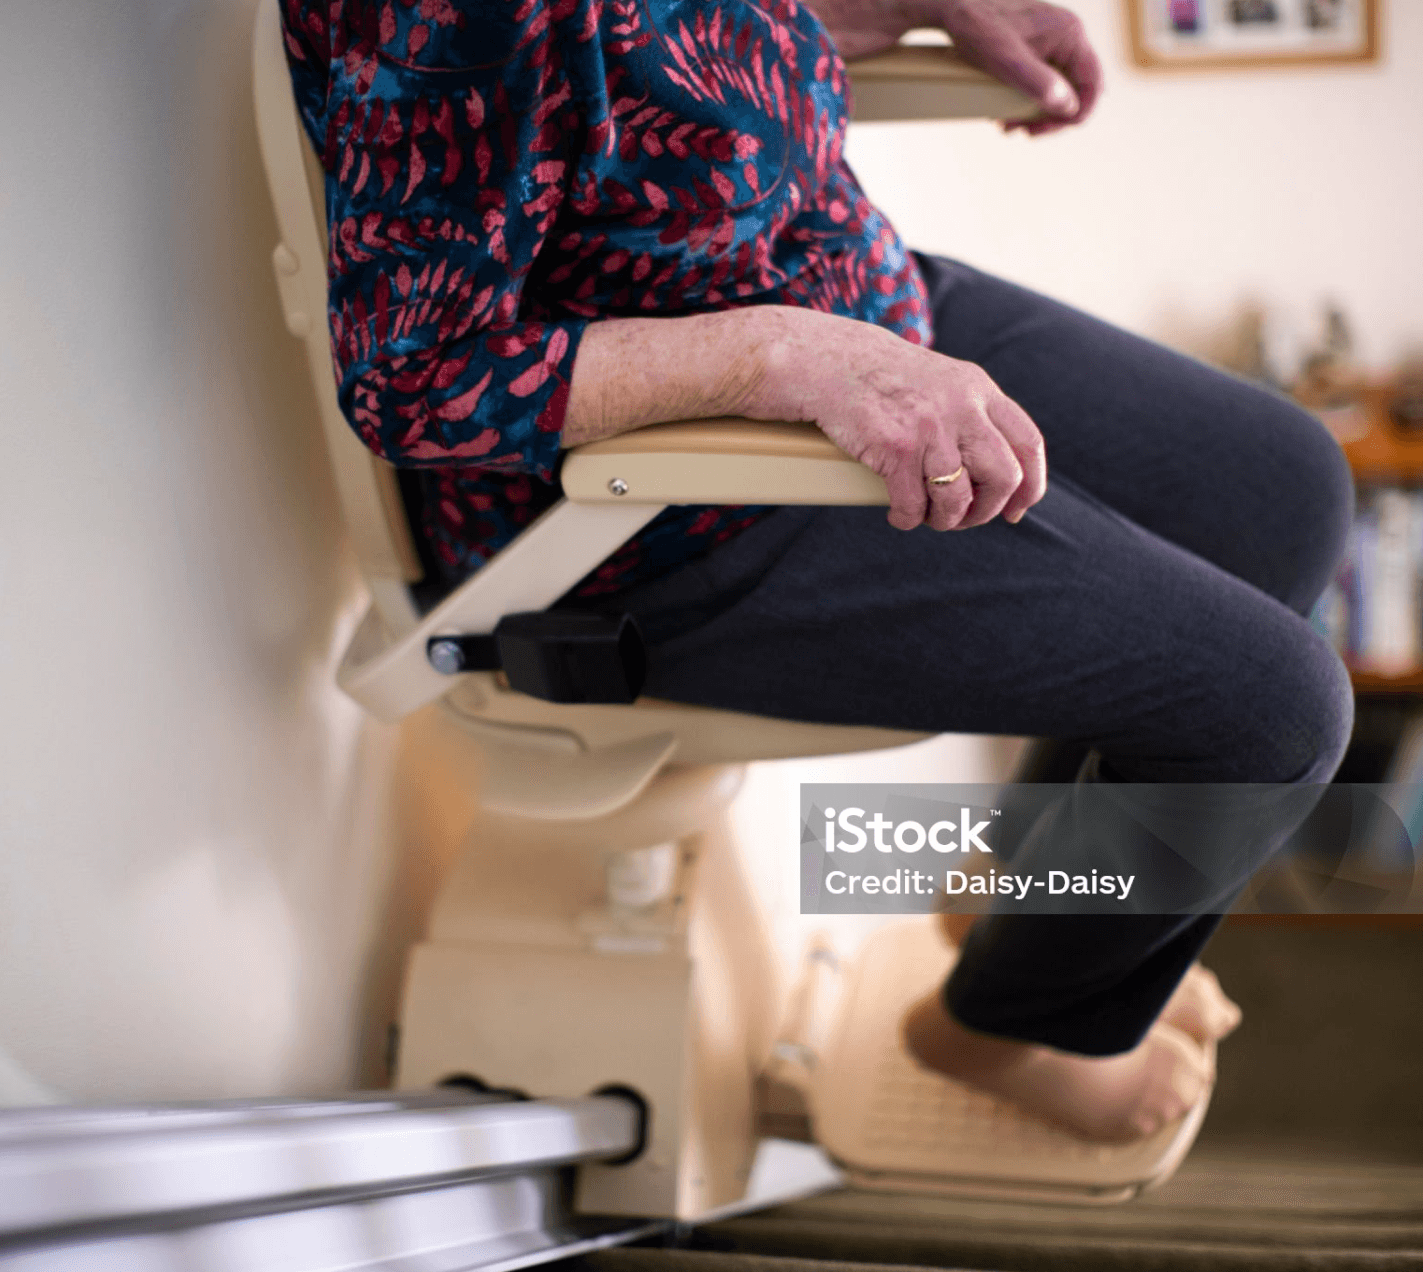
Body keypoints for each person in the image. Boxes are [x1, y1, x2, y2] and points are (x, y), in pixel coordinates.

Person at [279, 0, 1352, 1143]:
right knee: (1270, 714)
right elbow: (415, 383)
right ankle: (998, 1023)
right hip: (669, 502)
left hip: (851, 291)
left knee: (1282, 489)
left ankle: (1025, 904)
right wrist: (779, 355)